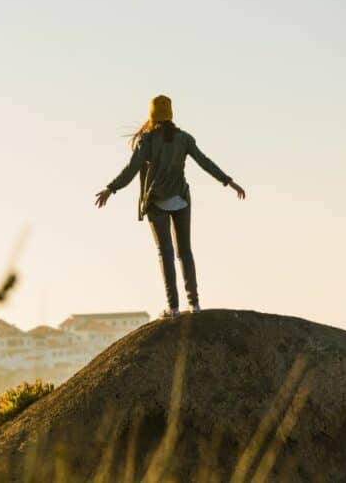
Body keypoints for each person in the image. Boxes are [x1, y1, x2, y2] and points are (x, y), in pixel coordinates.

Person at [94, 95, 246, 319]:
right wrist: (228, 181)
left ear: (153, 116)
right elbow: (204, 162)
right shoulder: (183, 138)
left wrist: (111, 188)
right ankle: (194, 305)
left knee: (165, 254)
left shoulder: (147, 141)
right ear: (171, 115)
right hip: (181, 200)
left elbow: (131, 169)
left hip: (157, 201)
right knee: (185, 252)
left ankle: (173, 307)